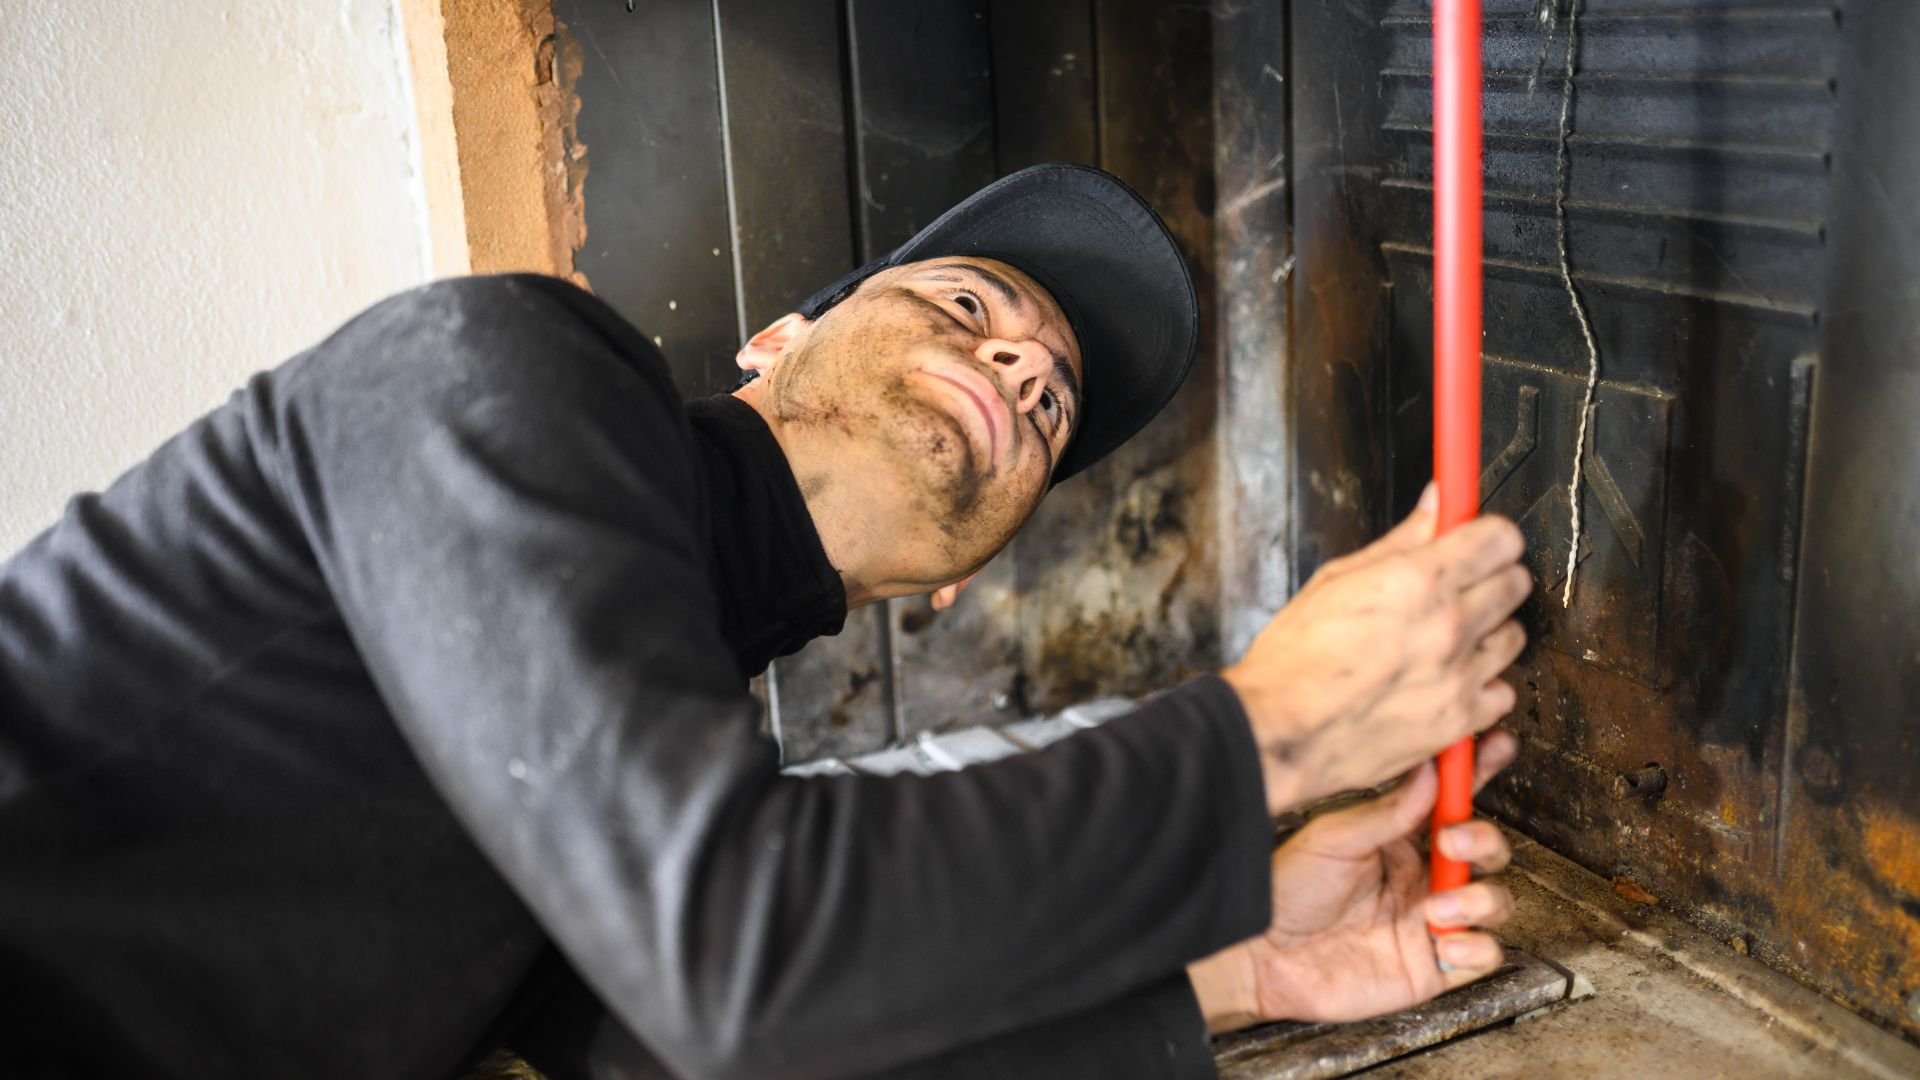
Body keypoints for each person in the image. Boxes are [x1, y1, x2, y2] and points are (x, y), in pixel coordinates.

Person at [0, 164, 1530, 1079]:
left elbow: (706, 1047)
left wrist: (1244, 968)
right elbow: (729, 952)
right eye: (969, 304)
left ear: (962, 578)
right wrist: (1270, 731)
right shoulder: (505, 367)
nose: (1015, 366)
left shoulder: (624, 754)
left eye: (1049, 404)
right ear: (780, 338)